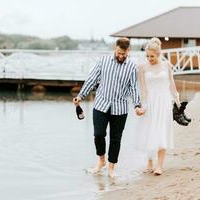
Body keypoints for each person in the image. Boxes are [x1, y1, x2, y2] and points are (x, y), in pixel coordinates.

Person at [73, 37, 144, 178]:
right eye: (118, 53)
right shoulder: (103, 61)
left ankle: (111, 168)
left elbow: (134, 88)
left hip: (120, 108)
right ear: (115, 48)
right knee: (98, 134)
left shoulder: (131, 67)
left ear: (128, 51)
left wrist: (137, 105)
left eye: (123, 54)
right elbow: (92, 79)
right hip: (101, 104)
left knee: (115, 139)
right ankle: (101, 161)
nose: (121, 56)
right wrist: (81, 96)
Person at [136, 37, 180, 176]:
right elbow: (142, 88)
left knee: (161, 131)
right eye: (147, 56)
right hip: (149, 102)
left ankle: (159, 166)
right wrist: (143, 105)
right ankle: (149, 161)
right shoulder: (142, 67)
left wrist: (177, 99)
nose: (149, 58)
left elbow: (171, 83)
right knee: (149, 130)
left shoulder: (166, 65)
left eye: (152, 56)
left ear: (159, 54)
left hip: (163, 101)